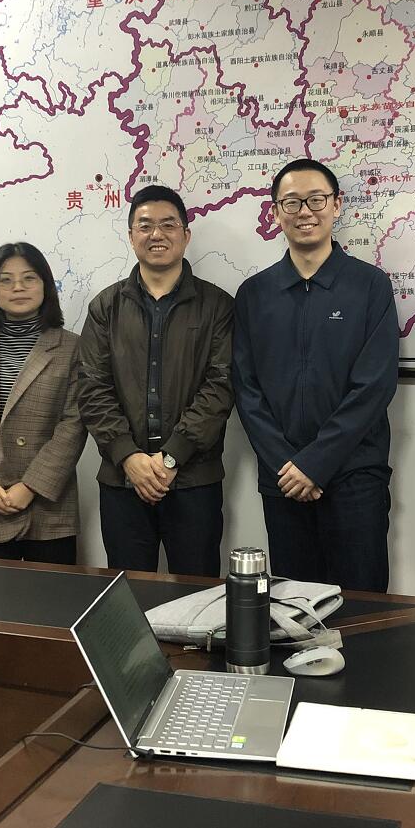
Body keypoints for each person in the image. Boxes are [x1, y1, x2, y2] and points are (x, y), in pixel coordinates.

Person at [232, 158, 399, 592]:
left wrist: (315, 463)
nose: (304, 212)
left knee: (362, 609)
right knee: (293, 609)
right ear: (275, 212)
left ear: (336, 205)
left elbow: (374, 386)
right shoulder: (254, 294)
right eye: (291, 202)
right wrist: (288, 465)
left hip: (354, 476)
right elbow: (246, 391)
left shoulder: (370, 286)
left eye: (316, 200)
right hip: (283, 480)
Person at [76, 185, 235, 576]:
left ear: (186, 234)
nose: (156, 234)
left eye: (168, 224)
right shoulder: (105, 307)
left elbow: (221, 385)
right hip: (122, 480)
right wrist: (128, 456)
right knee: (129, 595)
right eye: (145, 226)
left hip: (194, 480)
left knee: (196, 596)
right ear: (131, 236)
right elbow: (92, 388)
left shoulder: (218, 306)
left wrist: (171, 456)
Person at [0, 243, 86, 563]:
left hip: (48, 506)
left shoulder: (71, 347)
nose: (17, 287)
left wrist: (30, 486)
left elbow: (74, 425)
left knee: (53, 594)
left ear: (45, 285)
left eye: (29, 278)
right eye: (5, 280)